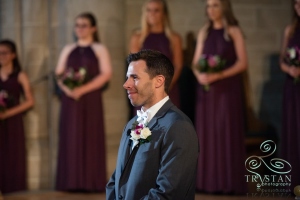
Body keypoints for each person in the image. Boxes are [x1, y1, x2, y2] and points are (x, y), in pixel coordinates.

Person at [106, 49, 198, 200]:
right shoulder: (131, 125)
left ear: (159, 81)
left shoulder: (178, 127)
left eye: (134, 77)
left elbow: (169, 192)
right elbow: (116, 180)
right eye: (127, 77)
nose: (126, 84)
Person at [192, 0, 247, 194]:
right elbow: (195, 63)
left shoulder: (233, 31)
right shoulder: (204, 32)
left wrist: (219, 75)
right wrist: (200, 75)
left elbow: (242, 63)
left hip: (226, 90)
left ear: (224, 6)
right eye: (208, 6)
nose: (211, 9)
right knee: (207, 134)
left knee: (225, 132)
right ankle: (208, 182)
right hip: (206, 93)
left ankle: (228, 183)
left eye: (215, 5)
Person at [55, 12, 112, 192]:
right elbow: (58, 74)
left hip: (90, 98)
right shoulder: (68, 48)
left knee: (90, 136)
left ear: (93, 28)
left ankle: (91, 182)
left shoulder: (99, 48)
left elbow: (106, 74)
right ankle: (70, 182)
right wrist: (68, 89)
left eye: (84, 25)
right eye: (77, 25)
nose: (80, 28)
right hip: (70, 100)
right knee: (71, 136)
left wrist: (82, 89)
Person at [129, 0, 182, 111]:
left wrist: (165, 85)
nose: (152, 13)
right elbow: (134, 67)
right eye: (149, 10)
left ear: (164, 13)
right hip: (144, 90)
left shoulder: (174, 38)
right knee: (144, 126)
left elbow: (177, 65)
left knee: (168, 124)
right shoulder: (137, 38)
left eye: (156, 10)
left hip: (168, 89)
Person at [0, 40, 34, 193]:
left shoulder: (20, 75)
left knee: (12, 153)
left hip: (13, 120)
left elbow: (30, 101)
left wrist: (7, 113)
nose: (1, 56)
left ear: (13, 55)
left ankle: (13, 187)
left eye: (4, 52)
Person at [280, 0, 300, 189]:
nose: (298, 6)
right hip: (292, 89)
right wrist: (290, 69)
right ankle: (293, 183)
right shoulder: (290, 30)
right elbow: (282, 60)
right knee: (293, 131)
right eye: (295, 3)